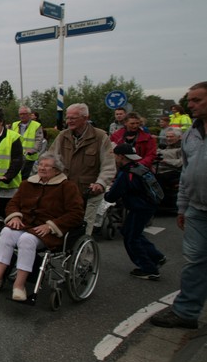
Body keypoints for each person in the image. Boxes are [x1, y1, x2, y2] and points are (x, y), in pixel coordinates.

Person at [0, 152, 84, 301]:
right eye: (40, 164)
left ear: (57, 170)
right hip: (25, 225)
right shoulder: (27, 184)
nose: (42, 168)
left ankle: (19, 286)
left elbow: (76, 213)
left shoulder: (67, 187)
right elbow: (13, 203)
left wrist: (51, 226)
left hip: (49, 232)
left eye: (47, 166)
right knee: (7, 232)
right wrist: (15, 216)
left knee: (26, 240)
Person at [152, 81, 207, 329]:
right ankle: (186, 312)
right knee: (194, 261)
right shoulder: (191, 134)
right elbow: (186, 171)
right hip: (197, 208)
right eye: (190, 100)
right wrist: (182, 206)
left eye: (197, 100)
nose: (190, 105)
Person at [49, 103, 116, 236]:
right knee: (63, 224)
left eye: (73, 118)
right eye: (67, 118)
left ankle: (85, 248)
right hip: (65, 189)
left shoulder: (100, 137)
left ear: (86, 118)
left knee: (85, 227)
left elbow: (108, 165)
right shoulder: (63, 136)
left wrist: (100, 183)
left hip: (89, 191)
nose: (69, 121)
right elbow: (51, 158)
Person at [104, 143, 167, 280]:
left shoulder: (126, 173)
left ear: (121, 156)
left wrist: (105, 194)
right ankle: (156, 256)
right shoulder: (140, 168)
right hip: (148, 206)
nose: (114, 159)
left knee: (131, 238)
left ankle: (149, 269)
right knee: (130, 232)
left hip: (139, 208)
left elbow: (112, 196)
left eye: (115, 156)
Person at [16, 105, 45, 178]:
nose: (22, 116)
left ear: (29, 115)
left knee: (26, 177)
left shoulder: (36, 125)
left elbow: (39, 139)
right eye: (20, 114)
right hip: (17, 156)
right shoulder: (15, 125)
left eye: (24, 114)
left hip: (29, 157)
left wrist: (33, 150)